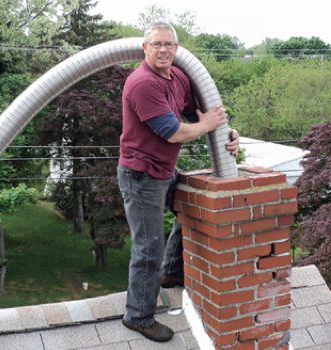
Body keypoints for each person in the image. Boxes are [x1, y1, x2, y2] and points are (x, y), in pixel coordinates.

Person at [117, 21, 240, 343]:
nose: (163, 50)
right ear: (145, 48)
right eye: (156, 44)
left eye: (169, 44)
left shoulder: (179, 77)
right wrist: (209, 123)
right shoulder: (142, 83)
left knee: (190, 211)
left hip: (165, 169)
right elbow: (175, 132)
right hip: (141, 175)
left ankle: (172, 273)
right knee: (148, 247)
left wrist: (227, 132)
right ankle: (138, 317)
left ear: (176, 48)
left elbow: (199, 114)